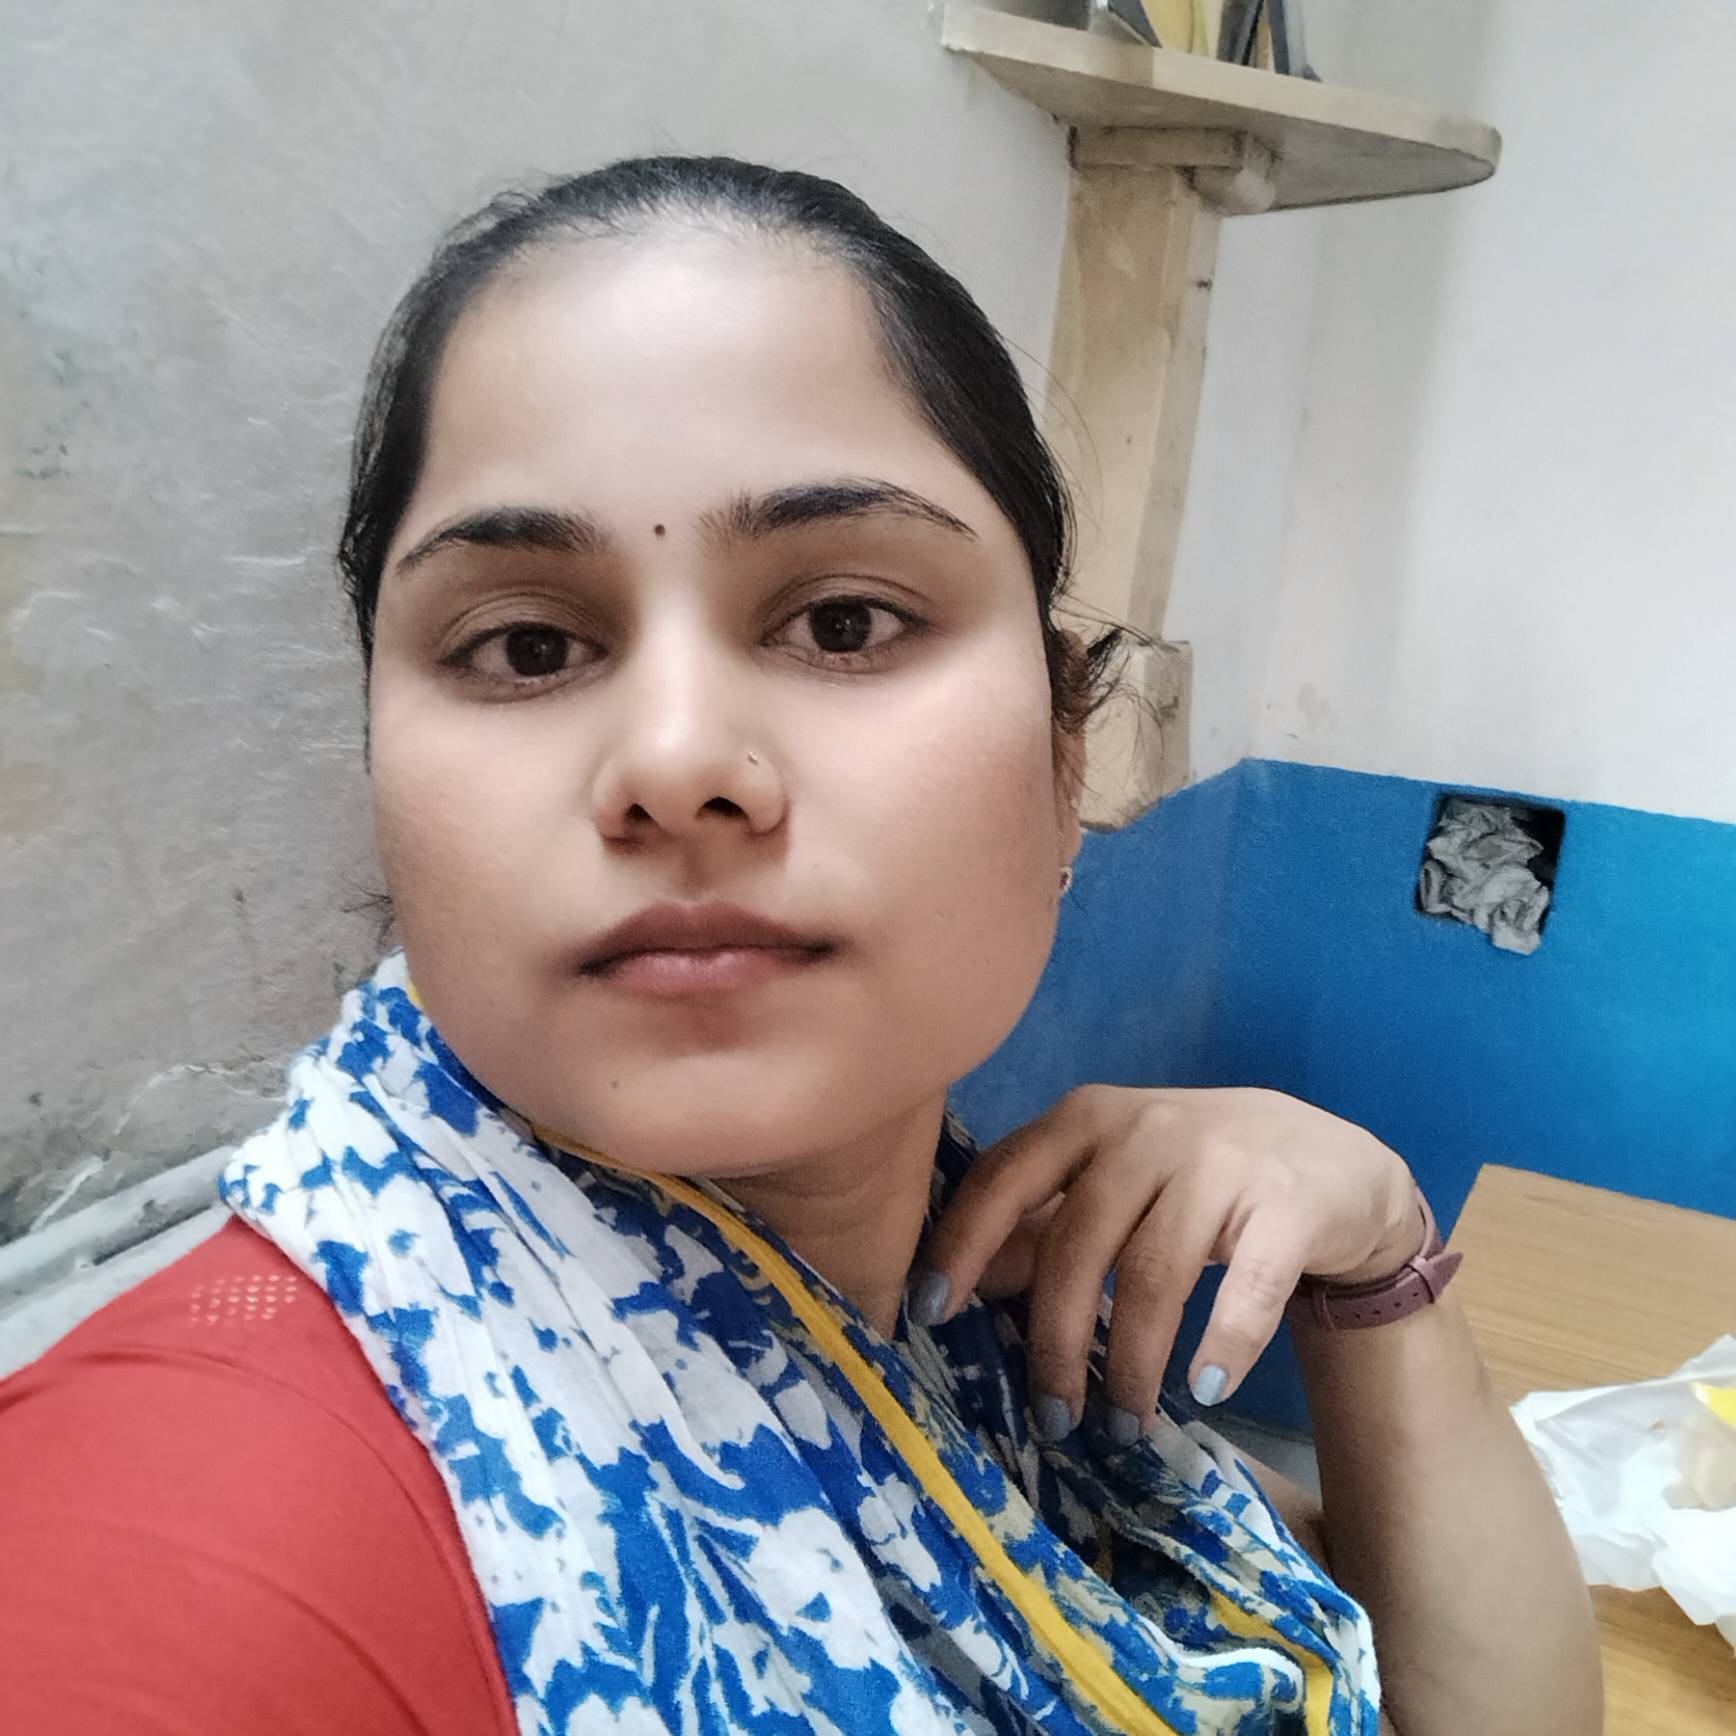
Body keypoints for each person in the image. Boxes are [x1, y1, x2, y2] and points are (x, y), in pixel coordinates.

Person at [0, 157, 1599, 1736]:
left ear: (1065, 758)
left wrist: (1381, 1262)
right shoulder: (227, 1528)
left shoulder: (976, 1334)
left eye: (845, 621)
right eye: (528, 645)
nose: (676, 760)